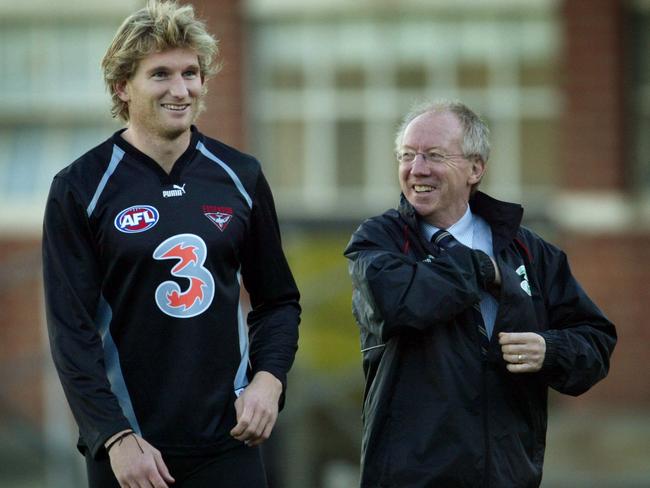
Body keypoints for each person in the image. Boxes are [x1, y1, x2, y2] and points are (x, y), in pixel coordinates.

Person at [42, 2, 300, 487]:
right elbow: (69, 332)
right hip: (132, 449)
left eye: (191, 73)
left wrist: (269, 380)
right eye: (160, 74)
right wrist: (115, 436)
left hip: (229, 442)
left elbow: (279, 299)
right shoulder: (81, 186)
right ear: (123, 86)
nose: (180, 90)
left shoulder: (239, 176)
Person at [344, 99, 616, 487]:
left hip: (508, 476)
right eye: (407, 155)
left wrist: (550, 349)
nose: (416, 169)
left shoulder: (530, 251)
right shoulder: (379, 240)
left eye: (434, 155)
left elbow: (596, 342)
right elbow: (401, 303)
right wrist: (483, 268)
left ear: (475, 168)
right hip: (409, 478)